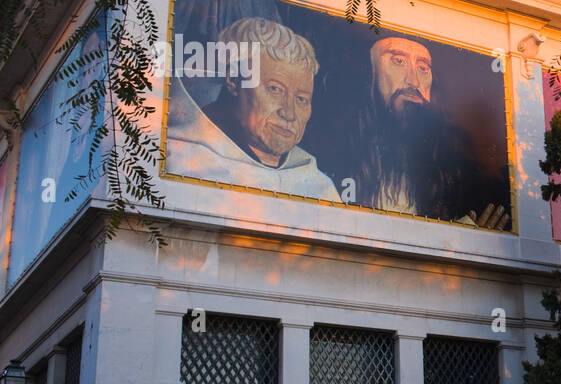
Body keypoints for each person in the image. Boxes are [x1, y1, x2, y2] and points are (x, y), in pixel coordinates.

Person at [166, 18, 340, 201]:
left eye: (301, 99)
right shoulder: (181, 163)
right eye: (275, 89)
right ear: (233, 80)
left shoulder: (320, 188)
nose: (289, 114)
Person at [351, 35, 507, 227]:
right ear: (371, 76)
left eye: (423, 68)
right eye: (399, 61)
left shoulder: (458, 173)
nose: (414, 82)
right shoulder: (343, 161)